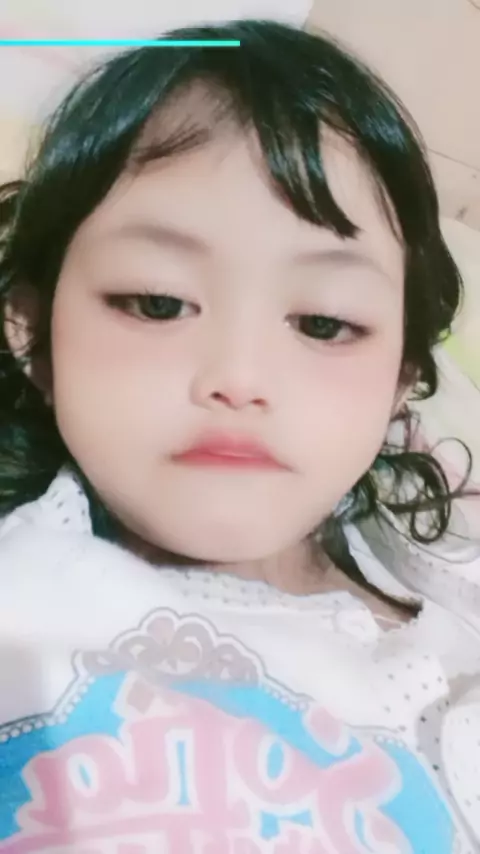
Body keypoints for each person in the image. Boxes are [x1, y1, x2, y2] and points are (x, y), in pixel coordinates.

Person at [0, 18, 479, 852]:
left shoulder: (451, 601)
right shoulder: (24, 613)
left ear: (402, 374)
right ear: (32, 331)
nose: (240, 375)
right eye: (158, 303)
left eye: (323, 322)